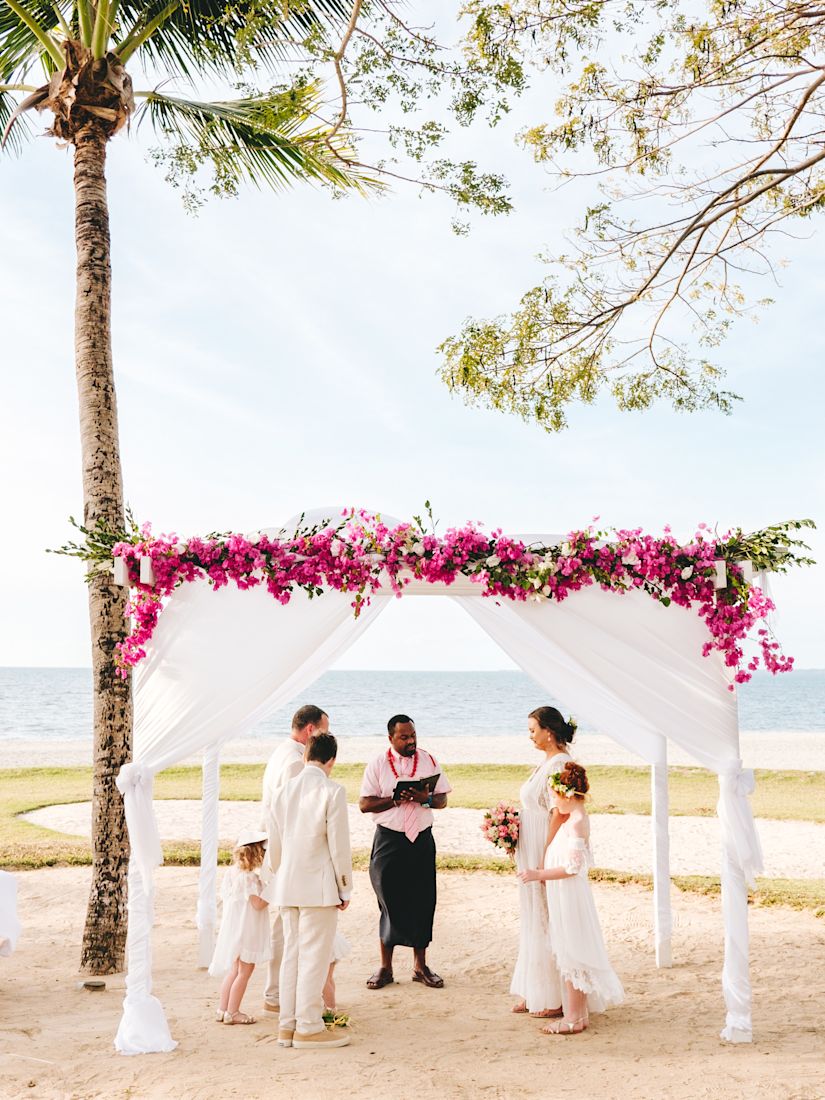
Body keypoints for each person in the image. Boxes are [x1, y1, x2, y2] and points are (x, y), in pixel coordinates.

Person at [518, 761, 625, 1035]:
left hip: (570, 896)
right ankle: (576, 1013)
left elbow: (572, 868)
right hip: (563, 895)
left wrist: (538, 874)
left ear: (566, 795)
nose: (553, 802)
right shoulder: (569, 819)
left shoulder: (576, 823)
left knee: (572, 951)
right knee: (566, 949)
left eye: (554, 796)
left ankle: (575, 1017)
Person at [268, 732, 353, 1050]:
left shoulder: (282, 792)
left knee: (291, 955)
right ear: (332, 760)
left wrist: (281, 876)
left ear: (305, 756)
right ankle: (308, 1025)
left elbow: (274, 846)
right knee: (315, 958)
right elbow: (339, 847)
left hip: (287, 885)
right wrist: (345, 888)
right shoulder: (333, 791)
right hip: (318, 889)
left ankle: (286, 1026)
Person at [359, 714, 452, 991]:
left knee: (423, 900)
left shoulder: (428, 760)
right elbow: (365, 804)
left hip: (421, 839)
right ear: (391, 738)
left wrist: (427, 799)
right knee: (388, 901)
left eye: (413, 735)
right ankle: (385, 968)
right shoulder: (377, 764)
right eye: (404, 737)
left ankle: (420, 966)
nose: (411, 741)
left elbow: (443, 800)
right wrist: (394, 799)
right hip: (390, 840)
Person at [260, 703, 328, 1015]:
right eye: (325, 730)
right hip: (291, 855)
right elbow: (294, 812)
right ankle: (283, 997)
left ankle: (281, 995)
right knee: (290, 931)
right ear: (311, 730)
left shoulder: (280, 752)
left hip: (282, 851)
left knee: (285, 928)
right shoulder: (294, 762)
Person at [511, 707, 575, 1018]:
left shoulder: (561, 764)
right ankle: (534, 987)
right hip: (529, 842)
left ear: (548, 731)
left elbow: (558, 813)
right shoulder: (546, 762)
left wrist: (545, 853)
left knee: (546, 915)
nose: (530, 735)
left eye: (533, 730)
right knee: (532, 915)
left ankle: (554, 997)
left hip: (543, 845)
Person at [208, 828, 272, 1025]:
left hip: (235, 927)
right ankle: (234, 1012)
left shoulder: (232, 873)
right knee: (245, 972)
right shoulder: (250, 878)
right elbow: (258, 904)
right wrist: (273, 889)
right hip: (247, 929)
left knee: (234, 971)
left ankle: (223, 1009)